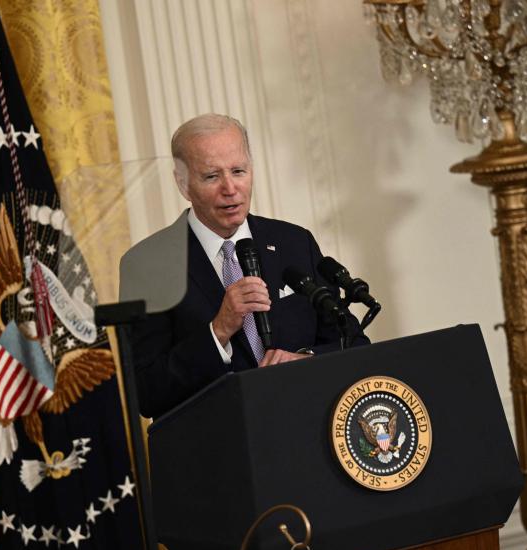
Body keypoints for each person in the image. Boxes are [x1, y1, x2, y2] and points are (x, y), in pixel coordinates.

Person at [131, 113, 369, 419]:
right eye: (211, 176)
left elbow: (353, 343)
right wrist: (219, 331)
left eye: (238, 171)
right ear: (183, 183)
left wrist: (306, 359)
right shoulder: (149, 266)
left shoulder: (294, 243)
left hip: (308, 430)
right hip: (223, 449)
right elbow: (148, 392)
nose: (230, 188)